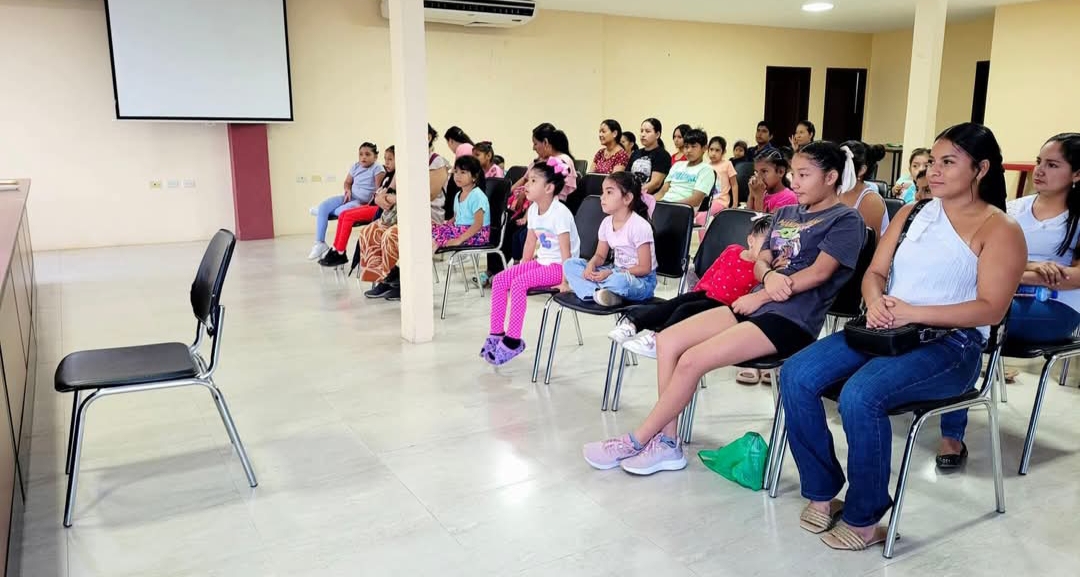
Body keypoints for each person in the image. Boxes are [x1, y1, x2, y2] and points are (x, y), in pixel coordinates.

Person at [780, 123, 1025, 551]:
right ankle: (822, 491)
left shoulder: (1000, 228)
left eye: (948, 162)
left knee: (861, 395)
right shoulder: (913, 213)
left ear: (981, 168)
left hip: (952, 346)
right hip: (885, 328)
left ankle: (864, 517)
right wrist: (876, 301)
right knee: (796, 373)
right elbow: (875, 272)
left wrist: (912, 312)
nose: (934, 170)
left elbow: (991, 308)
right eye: (933, 161)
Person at [582, 140, 866, 475]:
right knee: (667, 341)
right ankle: (668, 443)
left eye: (804, 175)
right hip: (752, 305)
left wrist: (763, 294)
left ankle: (637, 439)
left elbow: (819, 273)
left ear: (831, 177)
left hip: (790, 320)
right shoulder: (786, 214)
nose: (795, 181)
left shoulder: (845, 219)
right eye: (794, 173)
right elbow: (761, 261)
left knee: (692, 360)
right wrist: (767, 276)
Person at [937, 132, 1080, 468]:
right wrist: (1030, 269)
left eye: (1052, 165)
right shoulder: (1013, 209)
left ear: (1076, 174)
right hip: (1001, 297)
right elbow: (977, 260)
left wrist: (1009, 273)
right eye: (1039, 162)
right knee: (965, 323)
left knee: (970, 318)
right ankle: (934, 410)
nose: (1039, 170)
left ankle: (951, 436)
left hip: (1055, 308)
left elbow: (1074, 278)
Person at [609, 215, 773, 359]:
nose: (769, 252)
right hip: (707, 293)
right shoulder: (733, 250)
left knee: (685, 310)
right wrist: (697, 291)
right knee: (674, 304)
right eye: (765, 245)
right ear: (751, 240)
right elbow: (712, 271)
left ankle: (659, 340)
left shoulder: (764, 270)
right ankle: (632, 326)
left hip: (724, 307)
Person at [483, 157, 580, 366]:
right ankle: (496, 333)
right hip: (542, 262)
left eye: (533, 181)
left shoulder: (560, 213)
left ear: (549, 188)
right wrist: (522, 267)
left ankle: (513, 340)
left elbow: (567, 253)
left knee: (519, 284)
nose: (527, 184)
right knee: (500, 280)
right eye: (528, 180)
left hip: (560, 267)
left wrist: (565, 281)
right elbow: (529, 242)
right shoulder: (534, 209)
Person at [361, 125, 449, 299]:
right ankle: (386, 278)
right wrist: (381, 197)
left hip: (428, 218)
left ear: (428, 137)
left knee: (392, 235)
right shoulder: (406, 160)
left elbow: (428, 195)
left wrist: (395, 198)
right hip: (403, 216)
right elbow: (389, 188)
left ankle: (402, 282)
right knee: (369, 231)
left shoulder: (437, 162)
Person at [563, 172, 656, 307]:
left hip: (641, 281)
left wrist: (611, 273)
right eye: (603, 192)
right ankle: (599, 293)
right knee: (570, 264)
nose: (602, 197)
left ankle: (598, 290)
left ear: (627, 198)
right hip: (615, 271)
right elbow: (600, 256)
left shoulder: (640, 226)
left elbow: (645, 268)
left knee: (620, 281)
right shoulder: (606, 223)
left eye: (609, 192)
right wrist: (591, 265)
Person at [319, 146, 396, 267]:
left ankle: (340, 252)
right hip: (373, 204)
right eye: (385, 159)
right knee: (343, 214)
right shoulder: (388, 173)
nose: (386, 162)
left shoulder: (392, 174)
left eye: (390, 159)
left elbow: (385, 195)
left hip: (380, 209)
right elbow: (379, 192)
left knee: (348, 216)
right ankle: (336, 249)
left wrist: (379, 197)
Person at [432, 155, 490, 251]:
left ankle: (425, 258)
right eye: (456, 172)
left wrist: (458, 240)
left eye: (463, 172)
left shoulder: (477, 196)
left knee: (436, 236)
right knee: (431, 230)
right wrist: (444, 224)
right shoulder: (458, 194)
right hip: (461, 229)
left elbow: (478, 225)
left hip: (477, 234)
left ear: (474, 176)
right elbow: (456, 218)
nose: (458, 176)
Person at [839, 140, 890, 238]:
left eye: (843, 166)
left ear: (861, 170)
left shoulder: (871, 201)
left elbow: (868, 245)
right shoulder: (834, 191)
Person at [654, 128, 715, 209]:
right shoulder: (677, 165)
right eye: (686, 147)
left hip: (683, 209)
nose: (689, 150)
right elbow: (662, 192)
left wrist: (669, 206)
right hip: (664, 205)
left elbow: (695, 200)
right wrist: (649, 202)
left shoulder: (706, 170)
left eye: (693, 146)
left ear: (704, 148)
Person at [628, 117, 671, 214]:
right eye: (641, 131)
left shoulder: (662, 155)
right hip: (631, 197)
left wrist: (634, 194)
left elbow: (655, 183)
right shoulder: (636, 153)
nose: (643, 134)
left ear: (657, 134)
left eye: (647, 131)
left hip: (648, 201)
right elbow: (627, 176)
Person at [697, 136, 738, 228]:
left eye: (717, 150)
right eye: (711, 149)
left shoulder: (727, 164)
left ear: (723, 152)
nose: (713, 153)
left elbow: (734, 184)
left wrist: (735, 204)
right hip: (707, 201)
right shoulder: (706, 167)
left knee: (701, 217)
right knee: (692, 213)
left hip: (721, 201)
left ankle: (704, 238)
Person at [747, 148, 798, 213]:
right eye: (756, 172)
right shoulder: (763, 192)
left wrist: (758, 197)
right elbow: (746, 216)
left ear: (780, 172)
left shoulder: (789, 198)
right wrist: (752, 194)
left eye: (764, 171)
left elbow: (763, 219)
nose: (758, 177)